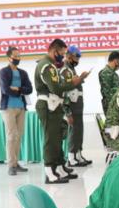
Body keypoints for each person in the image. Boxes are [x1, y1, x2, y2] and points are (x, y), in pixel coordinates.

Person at [34, 38, 87, 184]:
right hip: (47, 105)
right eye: (62, 53)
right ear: (54, 50)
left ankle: (58, 168)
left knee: (57, 140)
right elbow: (55, 88)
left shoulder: (51, 65)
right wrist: (73, 83)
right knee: (51, 140)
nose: (63, 56)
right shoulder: (46, 66)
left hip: (55, 105)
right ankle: (49, 171)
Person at [0, 46, 33, 176]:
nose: (18, 58)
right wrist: (20, 89)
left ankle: (16, 163)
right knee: (11, 136)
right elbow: (5, 90)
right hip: (8, 108)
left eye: (19, 56)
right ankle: (11, 165)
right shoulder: (3, 72)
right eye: (15, 56)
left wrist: (17, 89)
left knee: (19, 136)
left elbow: (29, 89)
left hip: (21, 107)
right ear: (9, 58)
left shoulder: (23, 73)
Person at [62, 44, 92, 167]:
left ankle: (78, 155)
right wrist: (67, 112)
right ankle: (71, 158)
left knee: (79, 131)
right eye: (76, 57)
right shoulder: (65, 70)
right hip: (72, 106)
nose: (78, 60)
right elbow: (65, 91)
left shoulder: (71, 70)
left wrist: (81, 78)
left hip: (78, 106)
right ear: (69, 56)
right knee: (73, 132)